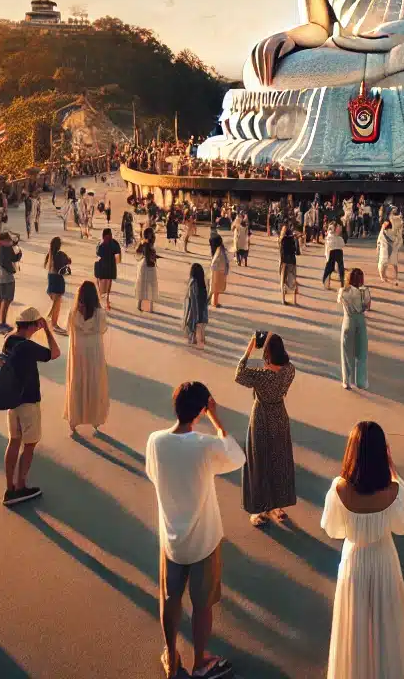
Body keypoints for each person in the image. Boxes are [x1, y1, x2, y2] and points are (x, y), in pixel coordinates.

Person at [146, 381, 246, 679]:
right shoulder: (204, 445)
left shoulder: (155, 441)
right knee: (202, 605)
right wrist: (217, 421)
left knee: (170, 599)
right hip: (204, 539)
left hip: (171, 540)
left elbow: (153, 475)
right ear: (202, 411)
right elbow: (237, 457)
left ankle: (171, 656)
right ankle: (201, 661)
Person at [323, 420, 404, 679]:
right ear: (382, 453)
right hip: (384, 559)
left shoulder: (340, 489)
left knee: (354, 628)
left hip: (354, 561)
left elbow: (333, 530)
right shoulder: (393, 490)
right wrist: (394, 469)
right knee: (387, 625)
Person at [234, 333, 297, 526]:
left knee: (258, 462)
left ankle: (259, 509)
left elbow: (239, 374)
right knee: (279, 460)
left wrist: (250, 347)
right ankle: (277, 505)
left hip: (261, 417)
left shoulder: (261, 376)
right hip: (279, 415)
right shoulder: (290, 370)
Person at [0, 307, 61, 506]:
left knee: (14, 441)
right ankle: (21, 486)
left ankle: (10, 487)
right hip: (28, 401)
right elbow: (55, 353)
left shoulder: (9, 339)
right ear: (34, 325)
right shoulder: (27, 346)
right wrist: (47, 330)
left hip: (12, 401)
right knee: (29, 444)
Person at [65, 281, 110, 437]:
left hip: (78, 354)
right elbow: (103, 329)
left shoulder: (73, 313)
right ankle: (95, 418)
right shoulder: (100, 314)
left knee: (77, 383)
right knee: (94, 384)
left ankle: (74, 419)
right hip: (94, 355)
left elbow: (67, 329)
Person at [338, 268, 372, 391]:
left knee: (346, 352)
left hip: (348, 321)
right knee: (361, 353)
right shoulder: (365, 291)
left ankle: (346, 381)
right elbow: (368, 306)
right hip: (360, 322)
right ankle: (361, 382)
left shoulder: (343, 291)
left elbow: (340, 301)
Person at [0, 231, 20, 333]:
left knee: (0, 301)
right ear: (5, 240)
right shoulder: (6, 248)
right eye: (8, 240)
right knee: (6, 301)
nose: (10, 241)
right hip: (7, 279)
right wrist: (19, 254)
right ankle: (2, 324)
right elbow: (13, 258)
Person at [45, 237, 71, 328]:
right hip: (57, 278)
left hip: (51, 277)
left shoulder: (50, 254)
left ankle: (50, 318)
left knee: (55, 301)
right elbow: (68, 261)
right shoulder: (59, 254)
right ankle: (53, 323)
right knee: (57, 302)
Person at [94, 227, 122, 311]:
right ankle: (102, 299)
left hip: (108, 264)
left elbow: (118, 253)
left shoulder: (110, 243)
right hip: (104, 264)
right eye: (107, 236)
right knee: (101, 282)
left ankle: (106, 300)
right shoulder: (103, 244)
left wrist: (117, 261)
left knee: (107, 282)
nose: (108, 237)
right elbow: (98, 254)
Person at [183, 263, 210, 347]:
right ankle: (201, 340)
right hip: (202, 307)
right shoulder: (202, 282)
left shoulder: (193, 282)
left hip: (195, 308)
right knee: (201, 326)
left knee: (194, 324)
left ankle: (196, 340)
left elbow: (192, 298)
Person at [136, 228, 160, 313]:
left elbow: (139, 252)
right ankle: (145, 307)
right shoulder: (146, 243)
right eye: (150, 233)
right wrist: (152, 256)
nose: (152, 235)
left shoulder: (146, 243)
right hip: (147, 265)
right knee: (148, 285)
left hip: (146, 264)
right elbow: (145, 254)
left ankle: (142, 306)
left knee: (146, 285)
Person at [279, 225, 301, 306]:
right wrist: (296, 238)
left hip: (284, 262)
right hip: (292, 261)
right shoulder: (292, 239)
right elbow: (297, 251)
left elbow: (281, 252)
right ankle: (294, 301)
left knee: (283, 281)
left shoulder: (282, 240)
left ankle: (283, 300)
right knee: (292, 281)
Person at [208, 232, 231, 309]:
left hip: (218, 271)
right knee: (216, 289)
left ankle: (213, 302)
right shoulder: (219, 251)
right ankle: (214, 303)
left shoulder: (218, 249)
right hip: (218, 271)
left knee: (216, 288)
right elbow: (216, 263)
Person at [322, 221, 348, 289]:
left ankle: (326, 284)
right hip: (338, 251)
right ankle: (342, 284)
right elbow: (342, 244)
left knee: (329, 269)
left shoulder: (329, 237)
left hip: (332, 252)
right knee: (340, 268)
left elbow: (327, 248)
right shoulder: (337, 237)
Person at [376, 217, 401, 287]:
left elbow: (379, 239)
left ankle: (384, 276)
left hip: (388, 249)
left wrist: (378, 246)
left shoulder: (388, 230)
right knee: (388, 263)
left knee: (384, 263)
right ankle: (385, 276)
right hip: (388, 248)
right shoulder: (387, 230)